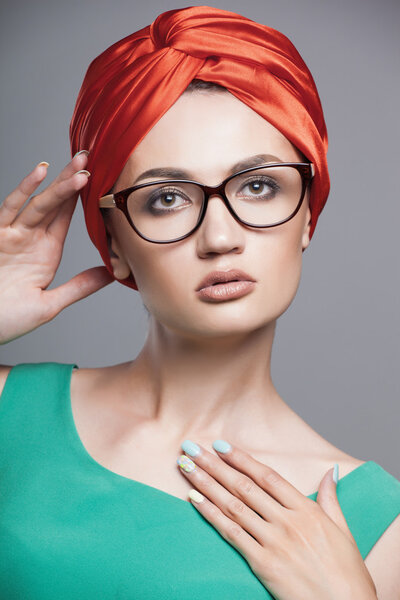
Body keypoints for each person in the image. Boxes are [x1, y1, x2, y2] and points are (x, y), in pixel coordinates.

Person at [0, 6, 399, 600]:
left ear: (308, 213)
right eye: (167, 198)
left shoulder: (379, 524)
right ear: (114, 244)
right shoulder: (10, 412)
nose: (219, 237)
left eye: (258, 186)